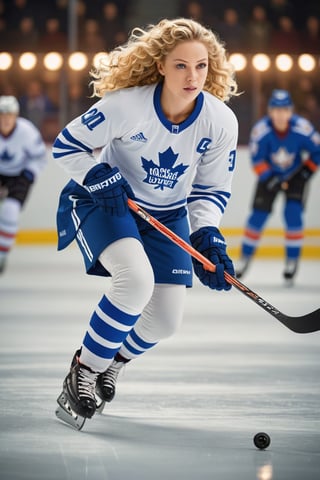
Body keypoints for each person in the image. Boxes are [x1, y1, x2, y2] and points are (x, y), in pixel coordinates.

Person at [52, 18, 239, 422]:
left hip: (168, 215)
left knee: (166, 320)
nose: (193, 77)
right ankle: (84, 371)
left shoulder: (221, 121)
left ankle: (114, 361)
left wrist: (208, 234)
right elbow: (66, 145)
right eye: (181, 66)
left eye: (201, 66)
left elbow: (210, 189)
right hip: (108, 203)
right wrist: (96, 173)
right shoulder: (127, 105)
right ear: (160, 66)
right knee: (135, 282)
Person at [236, 89, 320, 284]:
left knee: (293, 215)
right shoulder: (261, 130)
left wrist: (305, 173)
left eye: (284, 110)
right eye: (276, 110)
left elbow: (317, 152)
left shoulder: (303, 128)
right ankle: (244, 258)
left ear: (290, 111)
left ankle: (292, 262)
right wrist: (269, 177)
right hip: (269, 177)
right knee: (257, 217)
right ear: (270, 111)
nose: (280, 114)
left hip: (295, 177)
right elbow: (256, 158)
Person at [0, 95, 47, 273]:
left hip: (19, 174)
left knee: (10, 211)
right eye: (2, 115)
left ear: (16, 115)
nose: (5, 119)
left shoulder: (27, 131)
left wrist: (29, 173)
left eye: (9, 115)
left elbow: (40, 157)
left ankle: (2, 255)